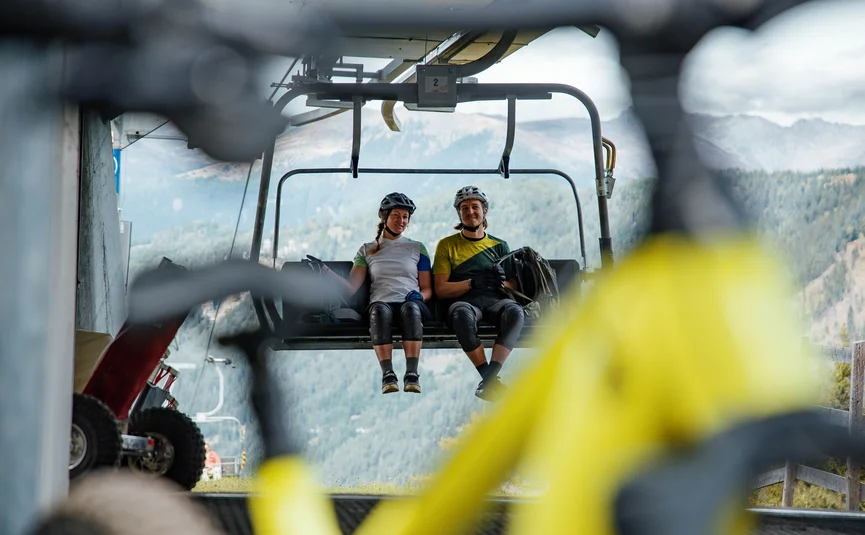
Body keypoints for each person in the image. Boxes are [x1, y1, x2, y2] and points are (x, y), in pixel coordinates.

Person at [313, 192, 433, 394]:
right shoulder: (367, 250)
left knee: (411, 309)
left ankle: (412, 373)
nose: (401, 221)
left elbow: (428, 288)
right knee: (378, 311)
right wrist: (325, 271)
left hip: (411, 302)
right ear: (384, 216)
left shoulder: (417, 248)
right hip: (381, 302)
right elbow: (351, 287)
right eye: (396, 215)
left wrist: (420, 297)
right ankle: (388, 375)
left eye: (405, 217)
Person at [432, 185, 525, 402]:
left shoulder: (500, 246)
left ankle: (489, 379)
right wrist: (472, 283)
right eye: (464, 208)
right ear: (459, 214)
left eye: (475, 207)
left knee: (515, 313)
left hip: (495, 301)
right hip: (464, 301)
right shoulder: (447, 246)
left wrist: (503, 281)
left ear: (484, 211)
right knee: (461, 315)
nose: (470, 212)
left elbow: (514, 287)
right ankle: (490, 378)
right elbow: (442, 289)